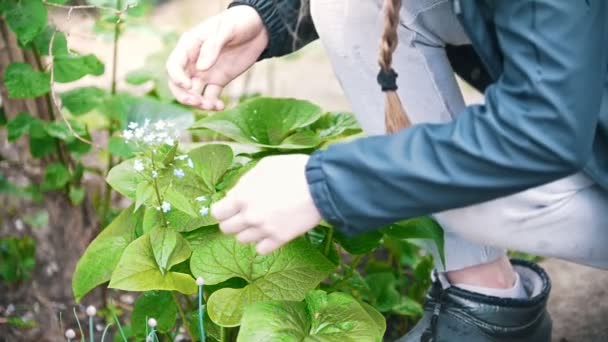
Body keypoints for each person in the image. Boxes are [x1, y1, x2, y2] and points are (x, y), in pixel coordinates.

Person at [166, 0, 608, 340]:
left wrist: (327, 184)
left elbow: (542, 128)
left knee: (463, 195)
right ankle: (486, 300)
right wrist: (265, 17)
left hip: (558, 128)